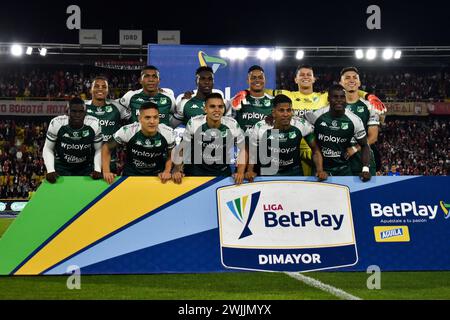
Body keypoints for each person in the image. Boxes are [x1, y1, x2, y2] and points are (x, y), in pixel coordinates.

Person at [246, 94, 327, 180]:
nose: (286, 114)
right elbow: (252, 151)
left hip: (295, 173)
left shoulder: (301, 125)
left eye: (288, 110)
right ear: (273, 112)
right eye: (281, 110)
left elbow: (315, 150)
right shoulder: (260, 127)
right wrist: (250, 170)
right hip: (269, 174)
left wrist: (320, 170)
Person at [173, 93, 246, 184]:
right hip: (195, 172)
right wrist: (177, 170)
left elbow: (243, 149)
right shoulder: (194, 123)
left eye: (220, 107)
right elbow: (182, 149)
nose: (217, 110)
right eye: (212, 106)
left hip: (222, 172)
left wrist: (240, 171)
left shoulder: (232, 125)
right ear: (205, 109)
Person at [305, 85, 371, 181]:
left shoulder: (355, 120)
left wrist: (365, 169)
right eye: (335, 97)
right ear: (328, 99)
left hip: (343, 170)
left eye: (342, 97)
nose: (339, 100)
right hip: (321, 170)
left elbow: (364, 145)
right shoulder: (316, 116)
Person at [102, 102, 179, 184]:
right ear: (139, 119)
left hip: (157, 176)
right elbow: (106, 147)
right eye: (147, 118)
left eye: (155, 117)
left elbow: (173, 155)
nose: (152, 121)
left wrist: (167, 171)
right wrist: (106, 171)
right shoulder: (127, 131)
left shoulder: (168, 133)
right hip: (130, 175)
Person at [43, 97, 103, 183]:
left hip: (85, 168)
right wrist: (50, 170)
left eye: (81, 112)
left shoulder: (94, 124)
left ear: (85, 112)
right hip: (62, 167)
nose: (77, 115)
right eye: (74, 111)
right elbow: (48, 148)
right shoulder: (56, 123)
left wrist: (97, 169)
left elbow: (99, 149)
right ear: (67, 112)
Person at [339, 67, 380, 176]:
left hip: (363, 160)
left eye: (355, 78)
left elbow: (373, 137)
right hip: (341, 159)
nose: (351, 80)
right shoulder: (333, 106)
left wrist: (354, 149)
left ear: (359, 82)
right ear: (341, 83)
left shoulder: (369, 106)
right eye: (347, 78)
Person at [85, 76, 130, 172]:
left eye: (104, 87)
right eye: (96, 86)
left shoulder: (117, 107)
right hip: (86, 163)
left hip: (110, 162)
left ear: (108, 90)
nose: (100, 89)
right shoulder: (82, 107)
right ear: (90, 90)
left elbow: (134, 121)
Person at [231, 65, 274, 133]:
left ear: (265, 80)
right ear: (248, 80)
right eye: (253, 78)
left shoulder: (273, 101)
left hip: (266, 142)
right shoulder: (238, 100)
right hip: (243, 142)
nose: (257, 80)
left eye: (260, 77)